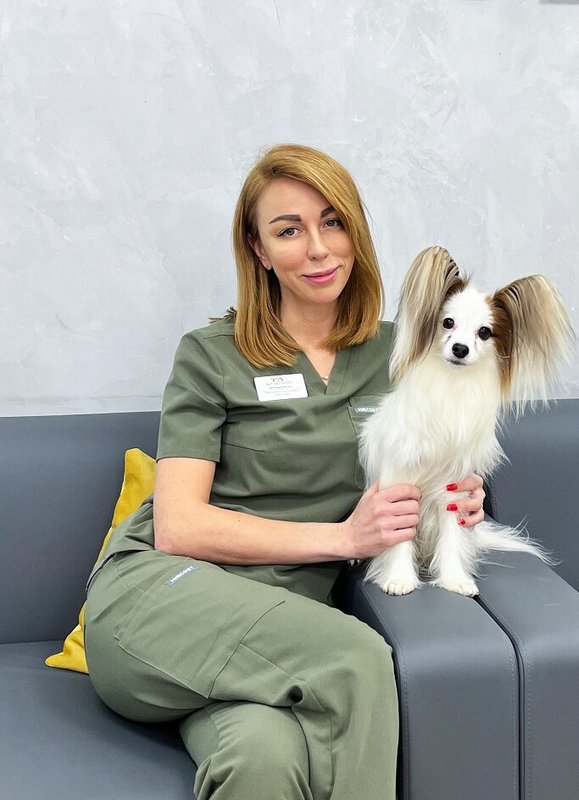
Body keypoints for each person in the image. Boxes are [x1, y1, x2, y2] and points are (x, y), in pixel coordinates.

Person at [84, 143, 485, 800]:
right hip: (163, 602)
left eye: (332, 222)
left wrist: (460, 493)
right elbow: (178, 527)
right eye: (289, 230)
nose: (318, 248)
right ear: (260, 250)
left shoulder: (404, 353)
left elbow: (438, 454)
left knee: (263, 762)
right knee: (356, 658)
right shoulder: (211, 355)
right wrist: (343, 538)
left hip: (279, 635)